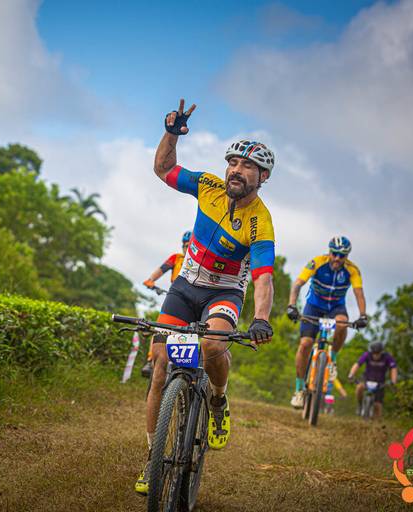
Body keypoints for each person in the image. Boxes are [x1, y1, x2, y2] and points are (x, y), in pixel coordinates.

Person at [136, 99, 276, 496]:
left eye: (247, 166)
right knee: (160, 363)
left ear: (262, 177)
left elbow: (264, 279)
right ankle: (153, 458)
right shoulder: (208, 186)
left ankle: (217, 400)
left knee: (213, 345)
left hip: (224, 292)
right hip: (184, 286)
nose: (236, 170)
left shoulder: (260, 221)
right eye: (233, 162)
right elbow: (163, 169)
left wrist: (261, 318)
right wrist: (171, 133)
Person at [287, 236, 368, 409]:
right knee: (305, 344)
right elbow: (298, 284)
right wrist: (291, 305)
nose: (337, 258)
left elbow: (359, 293)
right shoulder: (317, 262)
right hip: (314, 306)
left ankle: (332, 361)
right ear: (329, 252)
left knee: (342, 323)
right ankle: (299, 390)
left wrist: (363, 315)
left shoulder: (352, 270)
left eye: (342, 255)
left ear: (347, 256)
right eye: (334, 253)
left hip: (336, 307)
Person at [140, 230, 193, 378]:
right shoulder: (176, 258)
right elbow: (162, 269)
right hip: (175, 298)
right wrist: (151, 280)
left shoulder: (200, 261)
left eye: (190, 245)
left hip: (195, 301)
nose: (187, 248)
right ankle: (150, 360)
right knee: (159, 328)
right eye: (185, 245)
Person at [348, 341, 398, 418]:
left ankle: (376, 423)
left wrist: (393, 381)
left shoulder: (387, 357)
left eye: (377, 353)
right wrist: (351, 375)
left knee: (378, 406)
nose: (375, 355)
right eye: (374, 353)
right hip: (366, 379)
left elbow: (393, 368)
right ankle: (360, 404)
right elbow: (357, 364)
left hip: (380, 382)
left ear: (381, 352)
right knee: (359, 387)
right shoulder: (367, 355)